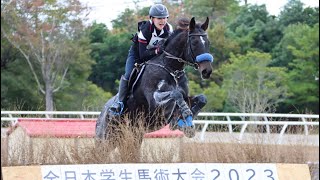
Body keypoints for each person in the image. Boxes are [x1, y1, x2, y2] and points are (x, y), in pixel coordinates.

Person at [110, 4, 173, 115]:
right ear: (152, 18)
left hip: (156, 56)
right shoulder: (145, 30)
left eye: (164, 18)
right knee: (129, 74)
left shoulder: (169, 29)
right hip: (137, 54)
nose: (162, 21)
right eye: (159, 18)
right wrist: (157, 51)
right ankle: (119, 103)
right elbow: (143, 55)